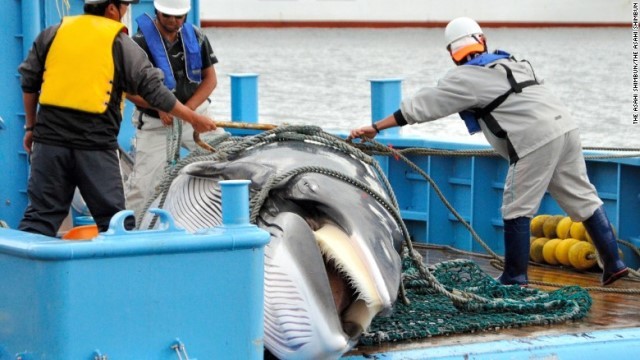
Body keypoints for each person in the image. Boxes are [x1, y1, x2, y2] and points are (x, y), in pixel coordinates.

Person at [348, 17, 629, 287]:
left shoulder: (466, 78)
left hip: (535, 139)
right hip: (565, 128)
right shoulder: (512, 62)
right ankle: (614, 264)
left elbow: (422, 106)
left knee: (516, 206)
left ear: (452, 53)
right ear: (481, 40)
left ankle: (515, 279)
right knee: (583, 196)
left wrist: (376, 126)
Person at [18, 0, 217, 237]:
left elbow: (29, 82)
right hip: (94, 145)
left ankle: (20, 270)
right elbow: (153, 90)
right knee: (114, 221)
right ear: (111, 8)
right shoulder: (120, 43)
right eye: (124, 6)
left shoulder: (52, 33)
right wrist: (193, 118)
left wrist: (31, 127)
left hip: (49, 142)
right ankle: (122, 271)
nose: (124, 12)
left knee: (39, 217)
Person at [125, 0, 223, 222]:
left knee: (226, 157)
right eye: (167, 16)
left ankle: (223, 219)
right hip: (157, 123)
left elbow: (210, 79)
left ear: (186, 15)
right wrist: (160, 106)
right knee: (143, 185)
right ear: (157, 12)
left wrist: (187, 112)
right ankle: (130, 232)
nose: (173, 21)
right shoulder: (138, 44)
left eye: (178, 17)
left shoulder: (197, 37)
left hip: (195, 116)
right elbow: (128, 91)